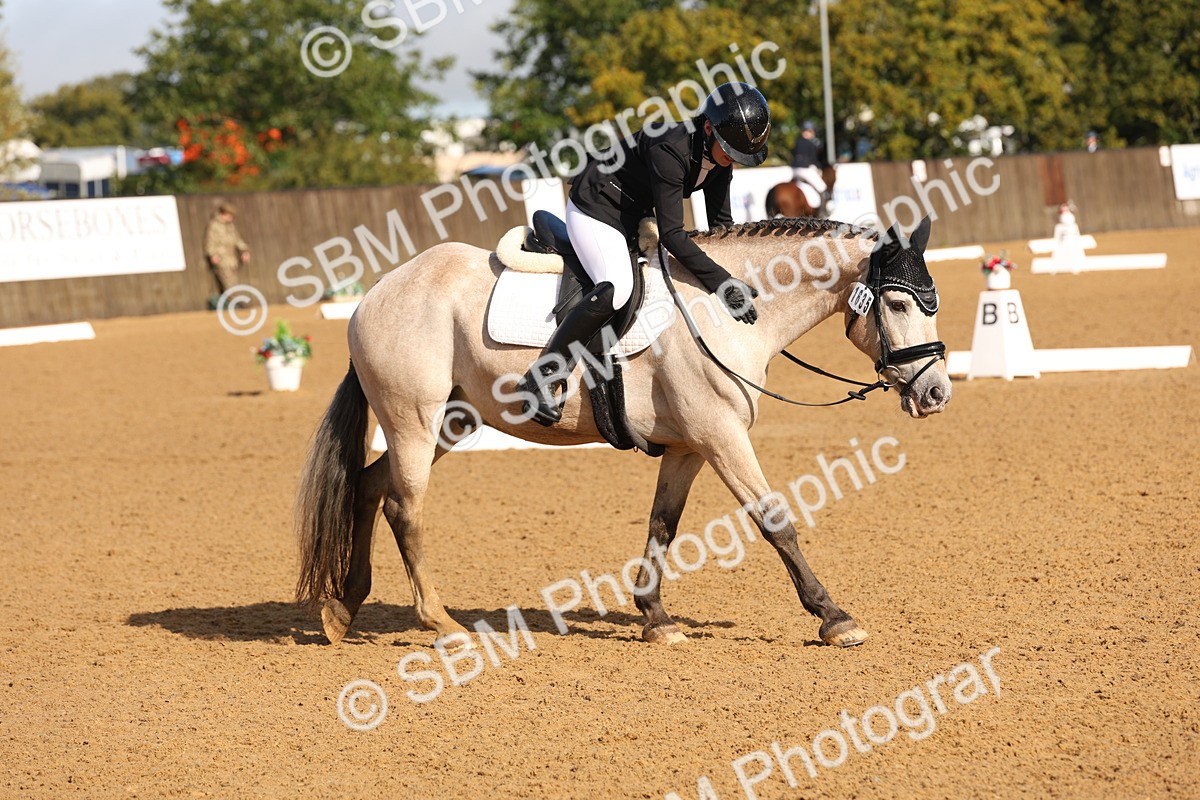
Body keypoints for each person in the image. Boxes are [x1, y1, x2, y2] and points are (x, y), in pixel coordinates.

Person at [514, 81, 769, 426]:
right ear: (708, 128)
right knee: (616, 288)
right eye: (729, 152)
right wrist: (721, 284)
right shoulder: (671, 147)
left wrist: (739, 275)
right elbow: (673, 236)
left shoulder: (719, 158)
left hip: (632, 214)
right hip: (596, 207)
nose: (730, 161)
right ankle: (540, 378)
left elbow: (720, 228)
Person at [204, 203, 251, 295]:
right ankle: (234, 302)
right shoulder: (214, 226)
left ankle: (235, 301)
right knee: (228, 282)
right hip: (222, 258)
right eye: (230, 215)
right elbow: (210, 241)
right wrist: (213, 254)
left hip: (232, 258)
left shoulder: (230, 226)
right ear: (223, 214)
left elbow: (237, 240)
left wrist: (244, 250)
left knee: (234, 281)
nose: (231, 218)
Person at [791, 120, 831, 209]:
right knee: (822, 187)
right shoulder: (811, 143)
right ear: (810, 131)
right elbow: (813, 160)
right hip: (805, 169)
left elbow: (794, 154)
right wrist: (818, 167)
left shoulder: (797, 142)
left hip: (794, 170)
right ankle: (823, 211)